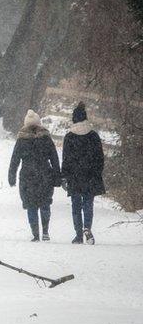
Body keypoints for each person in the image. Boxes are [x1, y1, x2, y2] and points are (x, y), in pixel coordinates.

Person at [9, 109, 61, 241]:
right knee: (45, 203)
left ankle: (35, 234)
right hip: (45, 174)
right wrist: (57, 176)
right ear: (39, 124)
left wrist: (12, 176)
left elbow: (15, 159)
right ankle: (45, 231)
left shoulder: (22, 140)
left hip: (27, 175)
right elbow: (54, 158)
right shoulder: (45, 138)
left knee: (31, 204)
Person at [62, 102, 105, 244]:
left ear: (74, 119)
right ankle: (87, 227)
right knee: (88, 203)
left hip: (74, 176)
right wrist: (97, 171)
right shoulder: (93, 136)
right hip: (90, 175)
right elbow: (100, 157)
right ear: (85, 118)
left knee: (76, 205)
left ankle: (78, 234)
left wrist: (64, 176)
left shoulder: (69, 137)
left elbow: (66, 158)